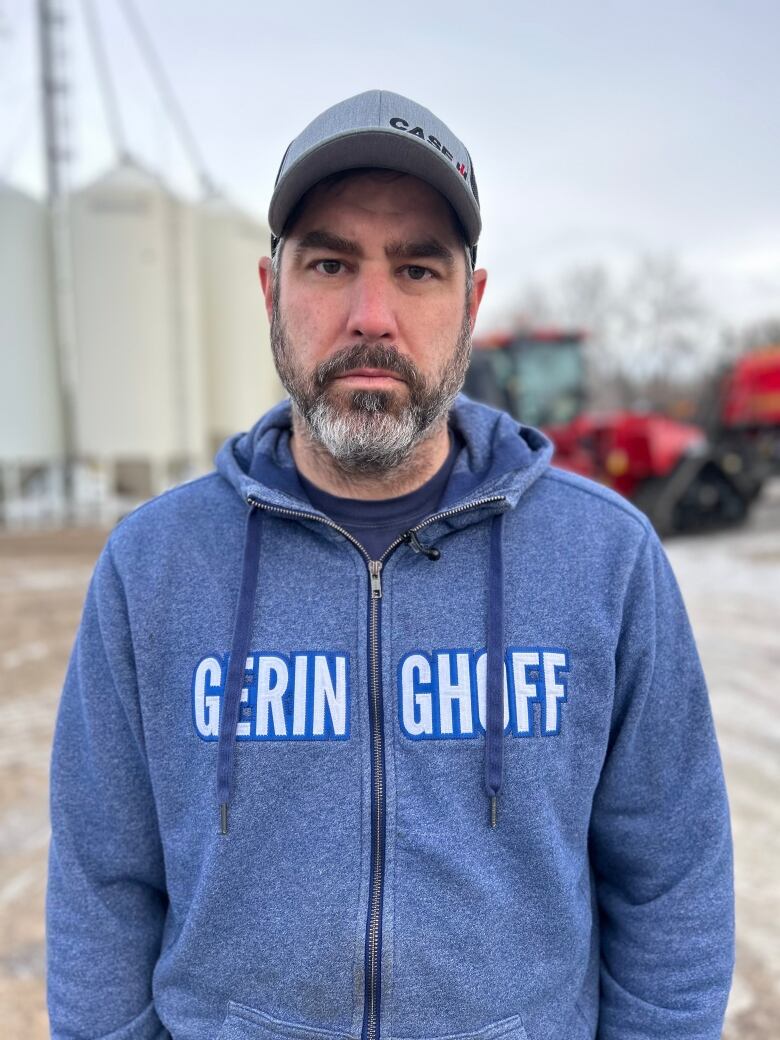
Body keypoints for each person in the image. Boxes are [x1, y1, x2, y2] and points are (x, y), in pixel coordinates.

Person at [47, 90, 734, 1040]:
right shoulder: (153, 567)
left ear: (471, 304)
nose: (372, 315)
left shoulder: (605, 559)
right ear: (270, 290)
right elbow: (101, 891)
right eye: (330, 263)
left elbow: (672, 881)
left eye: (417, 269)